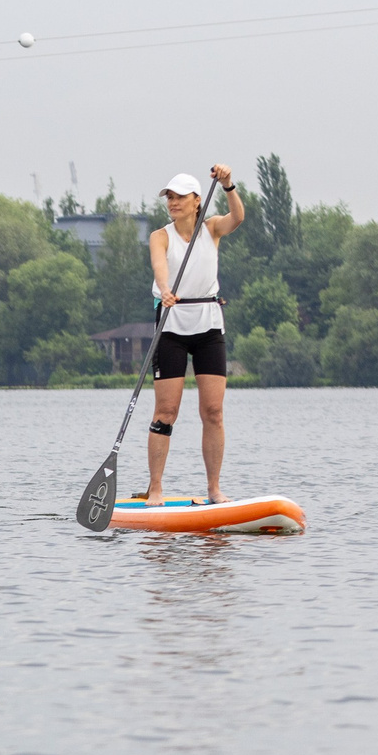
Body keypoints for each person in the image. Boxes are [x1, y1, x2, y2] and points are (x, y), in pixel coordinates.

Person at [144, 165, 245, 504]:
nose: (172, 202)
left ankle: (214, 489)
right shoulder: (161, 235)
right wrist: (164, 288)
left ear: (197, 201)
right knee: (166, 412)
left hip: (209, 326)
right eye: (168, 197)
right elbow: (160, 265)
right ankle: (155, 489)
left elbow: (239, 217)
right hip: (171, 327)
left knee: (213, 411)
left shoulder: (212, 228)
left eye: (178, 197)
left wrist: (229, 185)